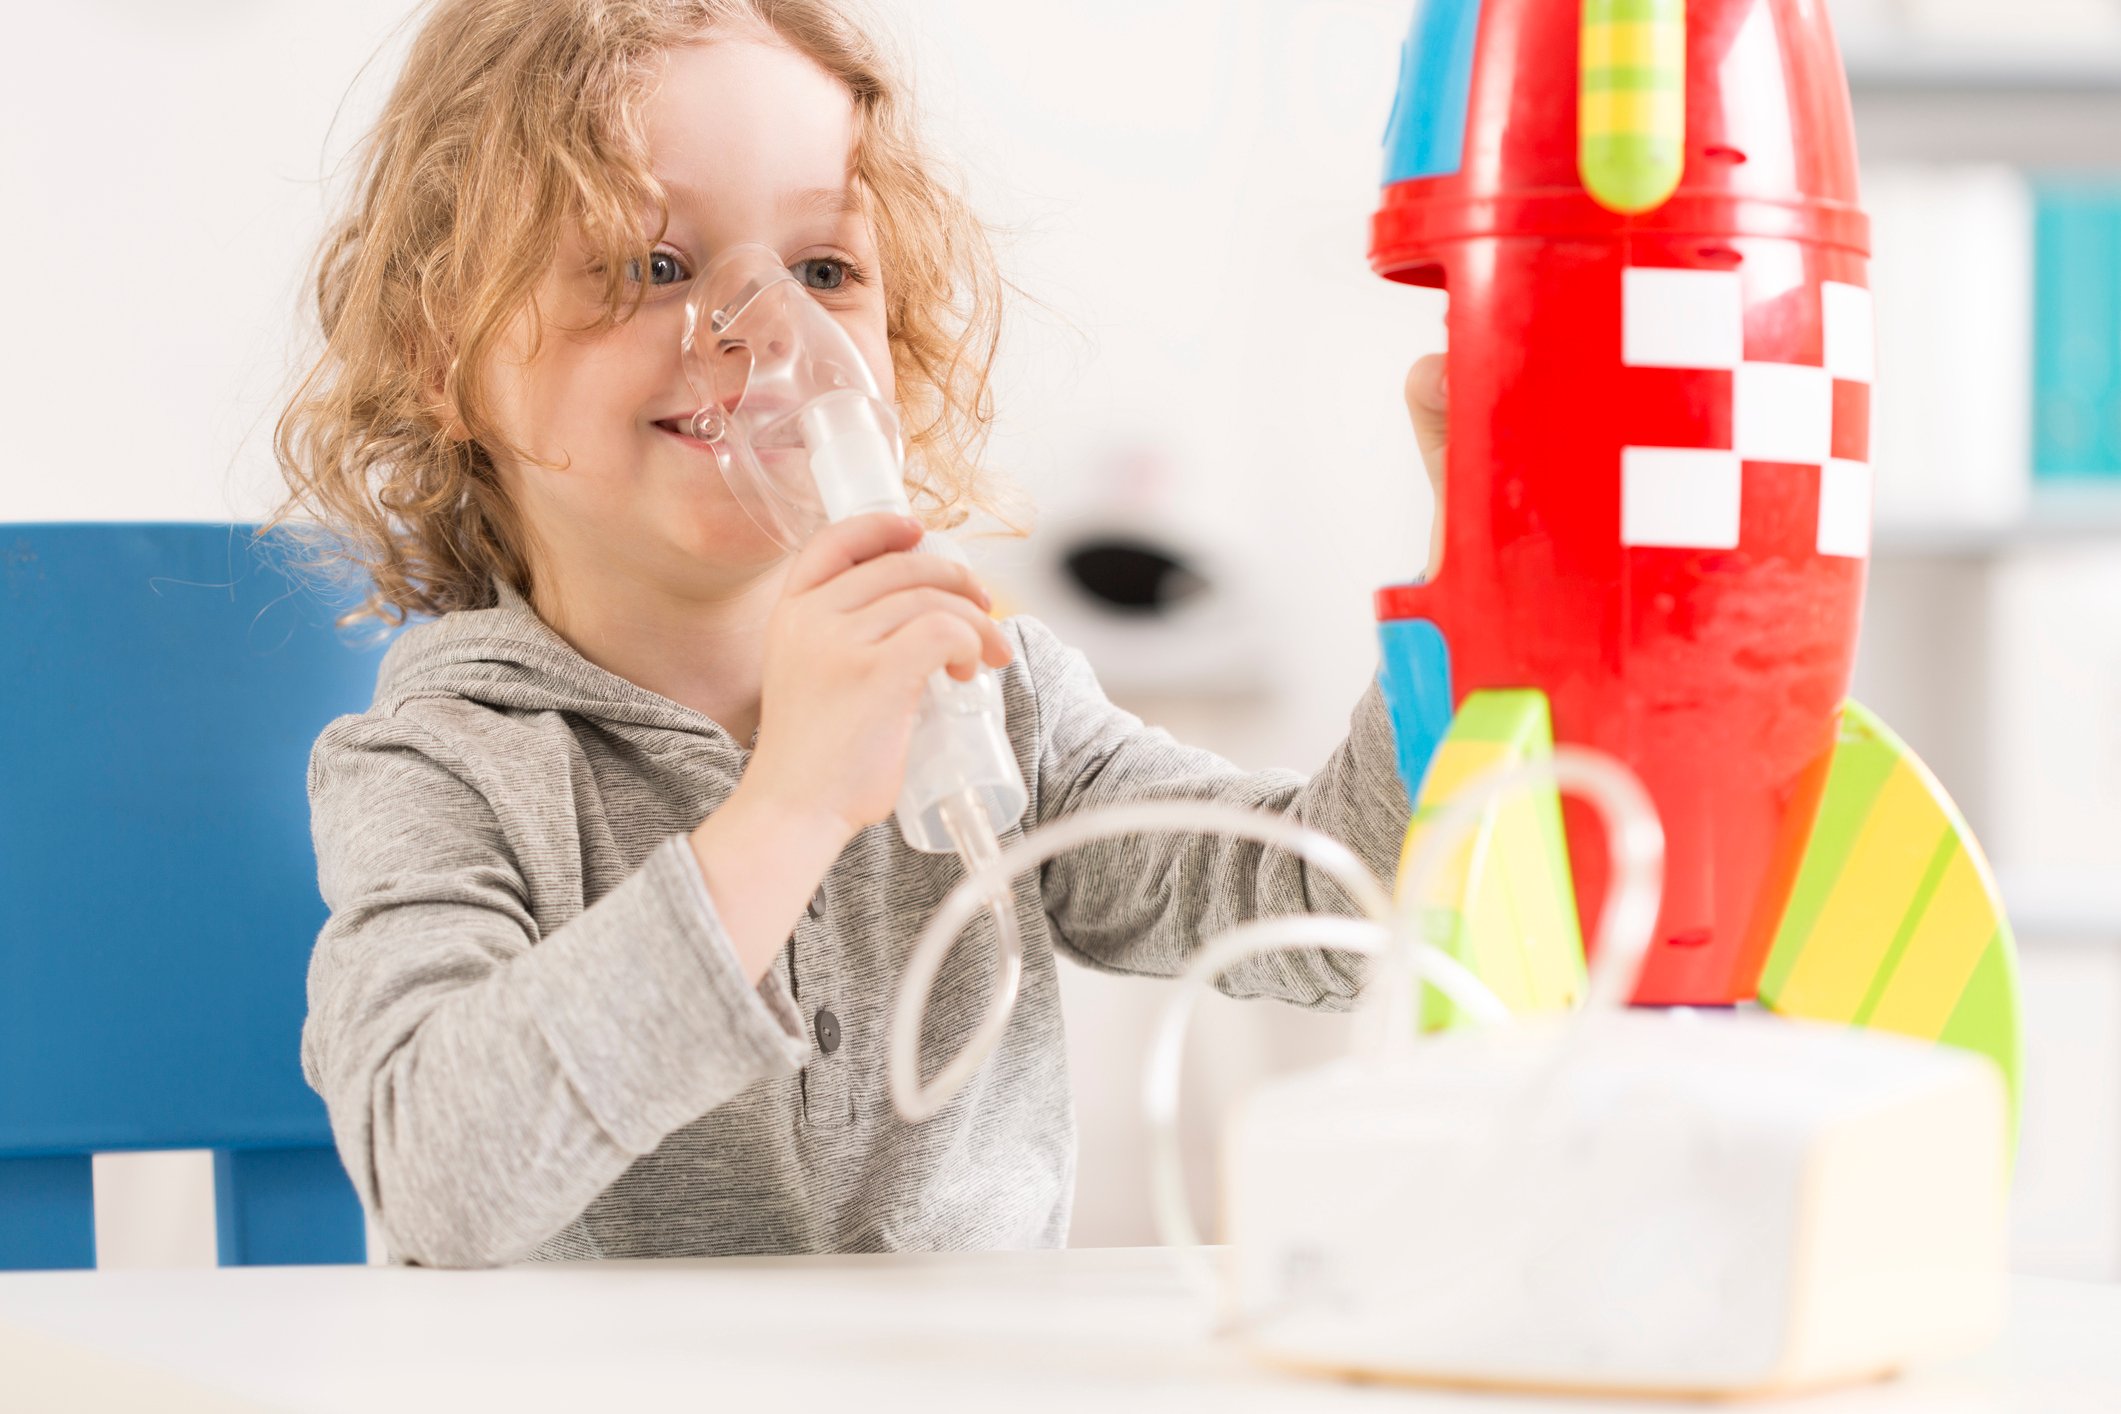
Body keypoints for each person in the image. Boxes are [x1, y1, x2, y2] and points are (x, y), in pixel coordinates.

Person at [273, 0, 1451, 1268]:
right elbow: (440, 1181)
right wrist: (790, 806)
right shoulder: (446, 768)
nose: (772, 333)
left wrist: (1480, 558)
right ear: (444, 350)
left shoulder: (991, 703)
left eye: (825, 270)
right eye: (655, 265)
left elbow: (1348, 908)